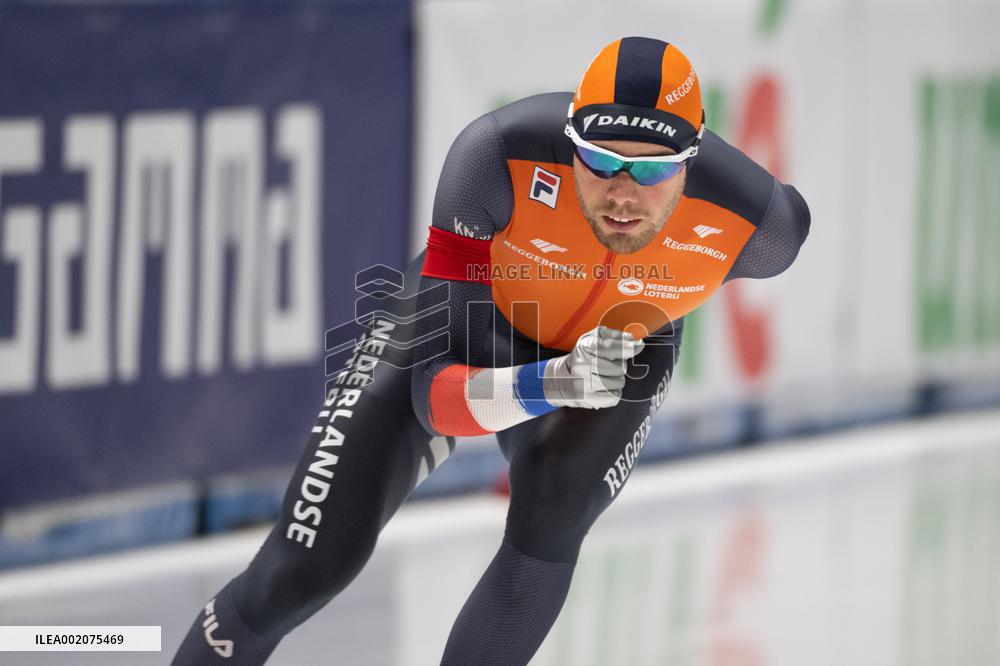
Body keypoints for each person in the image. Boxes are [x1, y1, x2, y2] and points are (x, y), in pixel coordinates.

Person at [172, 36, 810, 665]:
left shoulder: (765, 228)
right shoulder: (497, 155)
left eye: (651, 169)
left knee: (554, 508)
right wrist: (555, 381)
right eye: (599, 162)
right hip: (479, 320)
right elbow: (433, 400)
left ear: (692, 160)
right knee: (302, 571)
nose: (622, 193)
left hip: (626, 345)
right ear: (570, 141)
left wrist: (574, 378)